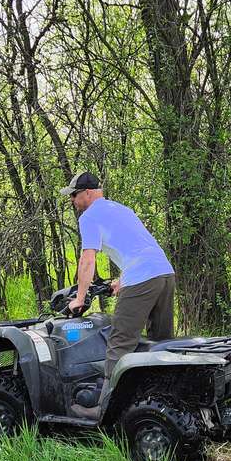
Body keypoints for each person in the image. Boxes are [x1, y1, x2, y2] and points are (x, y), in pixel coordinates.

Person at [63, 171, 175, 416]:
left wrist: (79, 300)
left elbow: (87, 260)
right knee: (161, 342)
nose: (72, 200)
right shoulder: (121, 210)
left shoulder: (89, 216)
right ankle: (164, 403)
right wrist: (122, 280)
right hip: (165, 274)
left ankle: (106, 410)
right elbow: (140, 246)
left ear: (87, 193)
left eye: (74, 195)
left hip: (143, 278)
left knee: (119, 345)